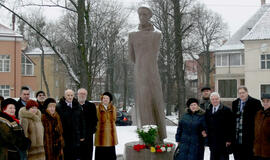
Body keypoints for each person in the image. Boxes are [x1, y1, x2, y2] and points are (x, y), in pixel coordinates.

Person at [128, 6, 167, 141]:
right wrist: (141, 63)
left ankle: (159, 135)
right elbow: (131, 56)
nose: (142, 17)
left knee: (155, 98)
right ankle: (147, 137)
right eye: (140, 14)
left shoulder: (157, 34)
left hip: (152, 72)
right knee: (143, 102)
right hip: (139, 71)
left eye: (145, 14)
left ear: (150, 16)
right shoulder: (132, 35)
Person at [232, 86, 262, 160]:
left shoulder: (256, 102)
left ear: (247, 92)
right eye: (240, 93)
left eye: (243, 93)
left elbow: (259, 120)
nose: (241, 95)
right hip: (237, 138)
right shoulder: (235, 103)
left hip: (250, 138)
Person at [56, 89, 85, 160]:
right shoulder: (59, 106)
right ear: (65, 96)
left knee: (75, 156)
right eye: (68, 95)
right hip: (65, 136)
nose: (70, 97)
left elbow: (82, 122)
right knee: (65, 156)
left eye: (71, 95)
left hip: (75, 136)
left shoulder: (77, 106)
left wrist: (82, 135)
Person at [205, 92, 234, 160]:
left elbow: (231, 126)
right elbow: (207, 124)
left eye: (216, 99)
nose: (214, 101)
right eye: (213, 99)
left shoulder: (226, 110)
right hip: (212, 140)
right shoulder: (208, 110)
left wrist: (229, 140)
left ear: (219, 99)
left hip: (223, 141)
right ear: (210, 100)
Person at [95, 92, 118, 160]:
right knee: (100, 155)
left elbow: (114, 119)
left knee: (111, 155)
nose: (105, 99)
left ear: (110, 100)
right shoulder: (97, 108)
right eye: (104, 98)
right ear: (101, 99)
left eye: (107, 98)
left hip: (111, 136)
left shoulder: (113, 108)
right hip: (100, 136)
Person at [77, 88, 98, 160]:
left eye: (84, 94)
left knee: (87, 155)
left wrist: (90, 131)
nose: (82, 95)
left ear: (86, 95)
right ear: (77, 95)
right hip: (76, 137)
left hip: (88, 136)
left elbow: (95, 120)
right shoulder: (74, 105)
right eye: (81, 94)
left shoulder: (91, 106)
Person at [253, 93, 270, 160]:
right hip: (258, 150)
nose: (265, 103)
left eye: (268, 101)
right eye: (263, 101)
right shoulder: (259, 113)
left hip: (268, 150)